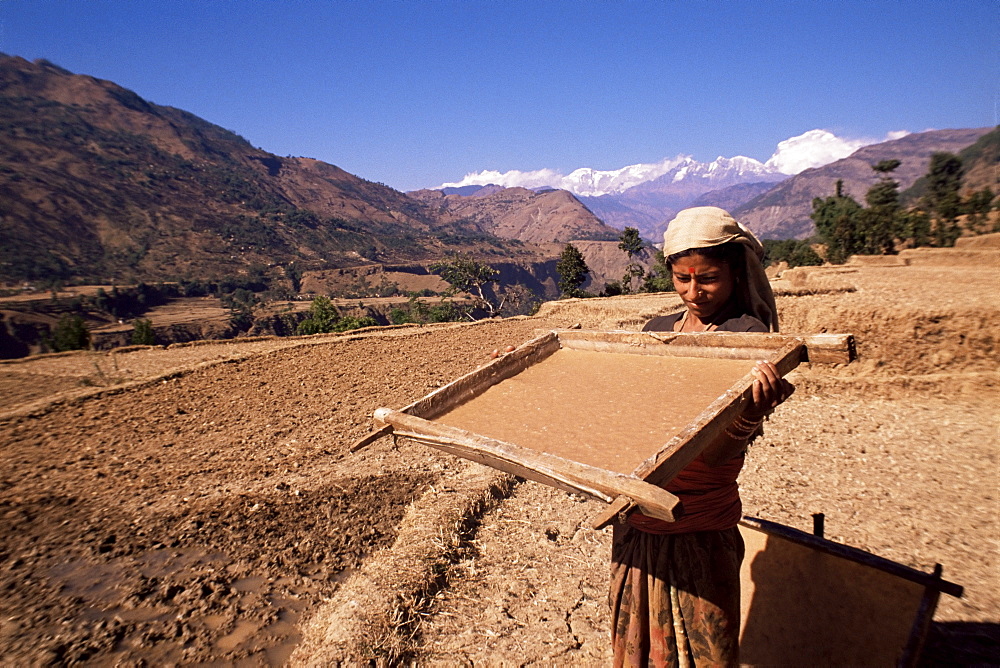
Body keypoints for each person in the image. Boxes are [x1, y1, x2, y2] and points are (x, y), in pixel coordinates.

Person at [610, 206, 794, 667]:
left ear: (734, 271)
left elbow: (717, 455)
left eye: (707, 278)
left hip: (698, 528)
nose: (694, 292)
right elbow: (623, 414)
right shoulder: (657, 332)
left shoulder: (746, 339)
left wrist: (750, 416)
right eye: (681, 279)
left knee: (706, 651)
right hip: (640, 520)